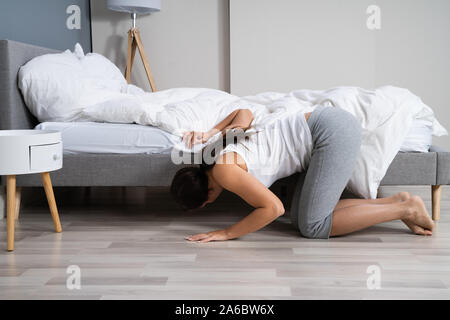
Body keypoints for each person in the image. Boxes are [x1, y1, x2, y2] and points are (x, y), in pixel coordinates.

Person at [171, 106, 435, 243]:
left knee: (313, 227)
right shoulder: (219, 151)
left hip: (330, 131)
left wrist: (227, 233)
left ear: (206, 198)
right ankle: (395, 201)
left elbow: (273, 209)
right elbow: (244, 113)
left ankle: (406, 209)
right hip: (328, 125)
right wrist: (210, 133)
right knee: (300, 218)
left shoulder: (224, 171)